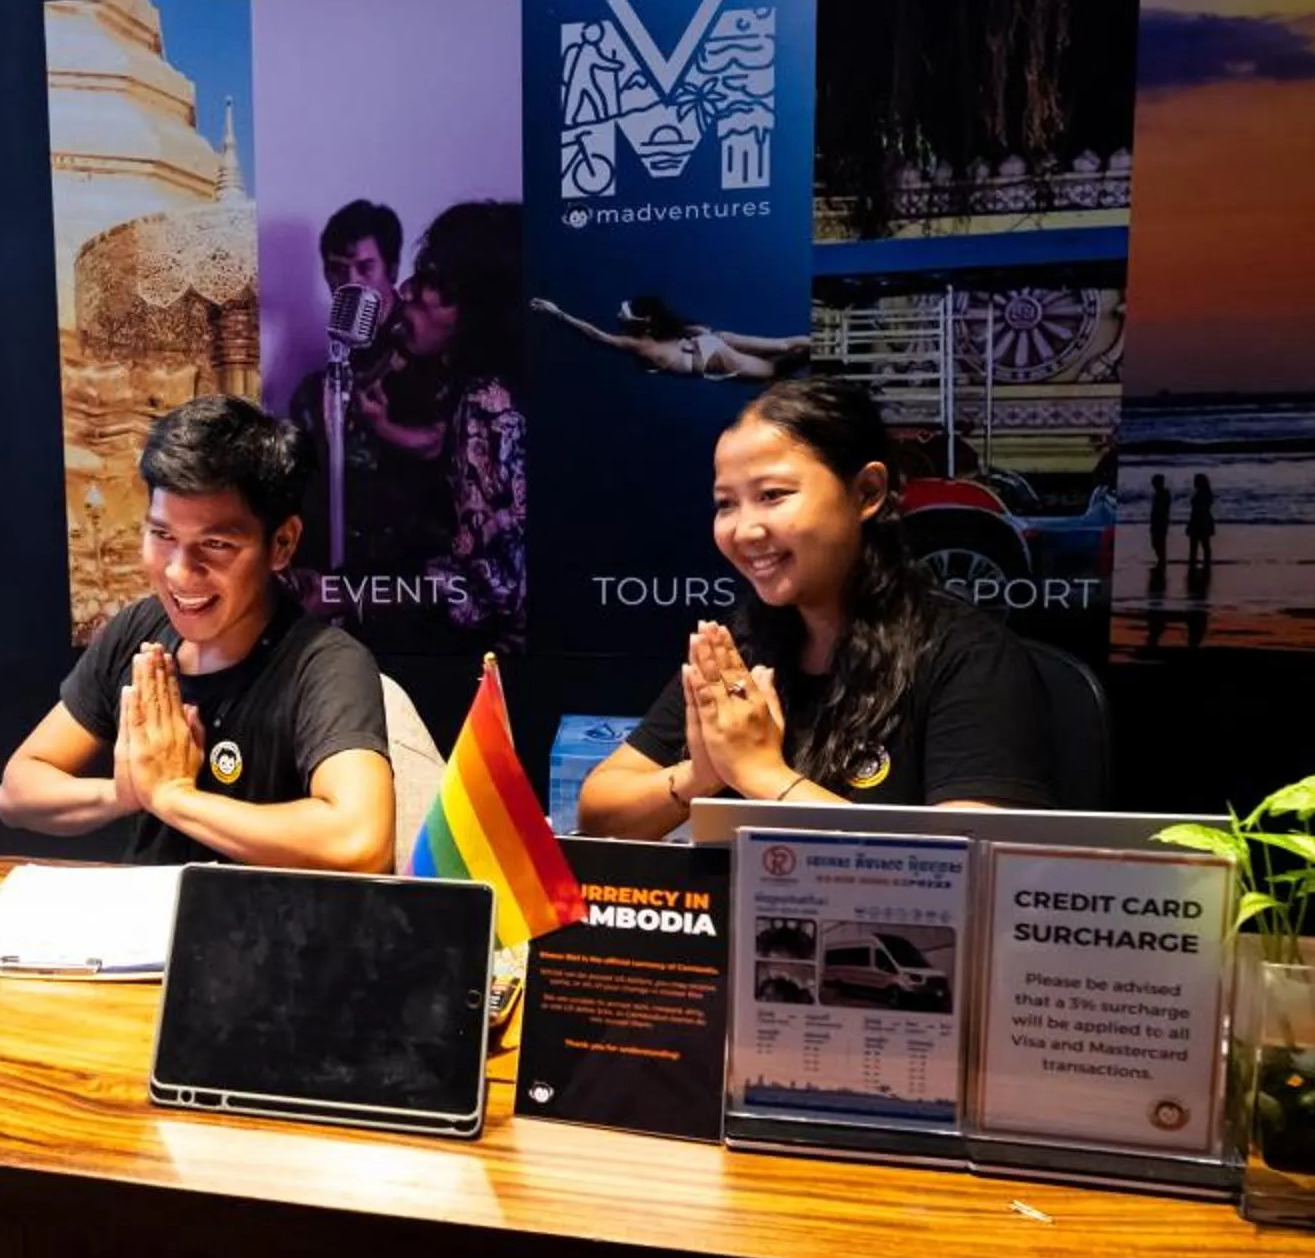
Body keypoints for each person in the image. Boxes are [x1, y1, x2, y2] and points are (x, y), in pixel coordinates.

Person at [575, 377, 1054, 837]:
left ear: (867, 492)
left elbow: (968, 861)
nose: (744, 530)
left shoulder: (967, 655)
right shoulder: (742, 648)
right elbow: (600, 812)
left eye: (772, 496)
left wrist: (761, 775)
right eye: (726, 504)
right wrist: (702, 774)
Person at [0, 395, 394, 871]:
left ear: (282, 543)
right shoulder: (139, 630)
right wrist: (125, 794)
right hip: (144, 912)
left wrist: (174, 797)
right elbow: (16, 792)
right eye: (163, 536)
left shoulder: (326, 664)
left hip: (259, 917)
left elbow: (359, 840)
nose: (179, 573)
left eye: (216, 544)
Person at [293, 200, 531, 650]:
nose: (407, 291)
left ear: (480, 307)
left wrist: (344, 594)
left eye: (433, 281)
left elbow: (491, 588)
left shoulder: (489, 403)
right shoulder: (320, 389)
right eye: (337, 269)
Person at [531, 295, 810, 381]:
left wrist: (559, 314)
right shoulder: (667, 329)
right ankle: (815, 344)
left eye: (622, 314)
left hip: (708, 357)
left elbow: (596, 336)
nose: (617, 315)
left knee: (772, 370)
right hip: (710, 342)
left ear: (641, 321)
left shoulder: (639, 344)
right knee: (783, 345)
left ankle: (818, 352)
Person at [1186, 471, 1216, 573]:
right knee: (1203, 544)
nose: (1194, 483)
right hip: (1202, 520)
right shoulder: (1206, 493)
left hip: (1200, 520)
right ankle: (1205, 563)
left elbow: (1199, 509)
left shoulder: (1203, 494)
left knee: (1198, 544)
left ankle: (1198, 562)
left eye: (1196, 481)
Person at [1148, 472, 1172, 568]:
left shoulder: (1163, 494)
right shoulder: (1160, 494)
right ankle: (1161, 559)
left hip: (1160, 522)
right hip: (1160, 521)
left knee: (1158, 542)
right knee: (1158, 542)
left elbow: (1162, 510)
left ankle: (1161, 560)